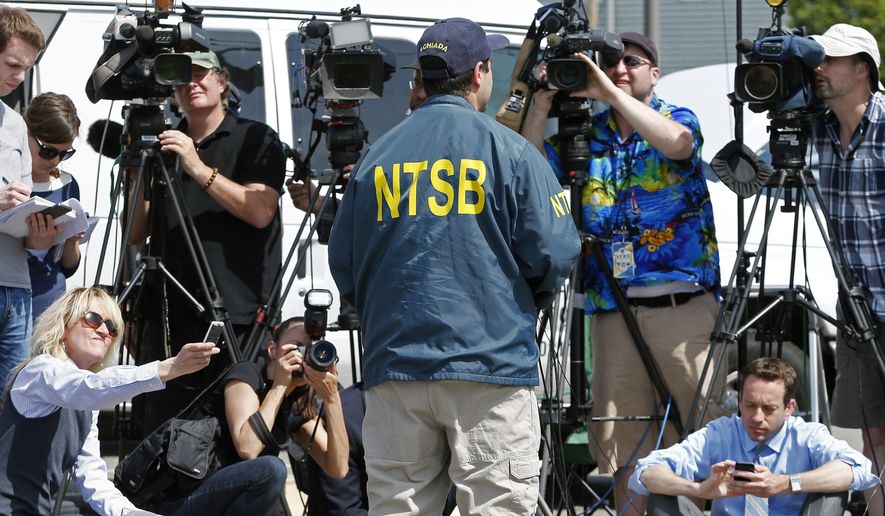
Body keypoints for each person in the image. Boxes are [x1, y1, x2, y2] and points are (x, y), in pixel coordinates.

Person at [328, 17, 581, 515]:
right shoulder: (510, 150)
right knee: (497, 506)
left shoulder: (376, 157)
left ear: (423, 74)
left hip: (395, 365)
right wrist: (527, 301)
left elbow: (345, 263)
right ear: (482, 71)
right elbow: (555, 251)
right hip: (489, 365)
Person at [520, 31, 722, 515]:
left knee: (707, 431)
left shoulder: (675, 117)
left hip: (682, 305)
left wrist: (609, 92)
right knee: (624, 441)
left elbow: (678, 145)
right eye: (610, 64)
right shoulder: (585, 135)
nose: (620, 70)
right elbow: (524, 164)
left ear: (655, 71)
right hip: (612, 307)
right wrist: (544, 97)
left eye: (632, 61)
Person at [127, 50, 287, 433]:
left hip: (238, 315)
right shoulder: (163, 145)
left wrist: (196, 166)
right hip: (169, 313)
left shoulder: (255, 137)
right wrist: (139, 170)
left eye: (200, 75)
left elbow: (261, 210)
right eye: (181, 79)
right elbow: (135, 234)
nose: (191, 84)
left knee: (233, 434)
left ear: (222, 80)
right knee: (167, 432)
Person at [0, 286, 220, 515]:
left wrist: (128, 512)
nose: (104, 330)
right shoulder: (41, 371)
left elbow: (92, 477)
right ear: (64, 325)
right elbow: (89, 387)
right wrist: (168, 368)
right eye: (93, 319)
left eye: (112, 327)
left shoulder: (87, 408)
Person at [145, 317, 346, 515]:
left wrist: (332, 398)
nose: (303, 357)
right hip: (184, 497)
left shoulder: (295, 404)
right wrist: (281, 385)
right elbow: (247, 447)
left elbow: (337, 468)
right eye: (297, 347)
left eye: (310, 349)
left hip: (228, 499)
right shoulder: (246, 375)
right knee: (272, 470)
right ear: (272, 350)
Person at [627, 357, 880, 515]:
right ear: (739, 400)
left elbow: (860, 468)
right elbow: (645, 471)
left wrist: (785, 483)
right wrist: (699, 489)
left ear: (790, 407)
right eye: (749, 405)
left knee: (832, 492)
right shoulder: (721, 432)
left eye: (769, 408)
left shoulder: (807, 435)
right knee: (662, 493)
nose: (757, 417)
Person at [809, 22, 885, 515]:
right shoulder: (816, 128)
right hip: (857, 305)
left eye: (830, 60)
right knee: (872, 428)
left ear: (862, 69)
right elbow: (754, 177)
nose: (819, 69)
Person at [0, 6, 47, 386]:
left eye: (26, 68)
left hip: (16, 286)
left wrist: (43, 230)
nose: (20, 76)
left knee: (10, 408)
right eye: (12, 64)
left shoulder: (16, 123)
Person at [24, 93, 85, 319]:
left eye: (65, 154)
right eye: (48, 151)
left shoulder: (68, 185)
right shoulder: (8, 182)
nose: (55, 161)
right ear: (26, 132)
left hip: (49, 305)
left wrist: (72, 240)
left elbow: (67, 266)